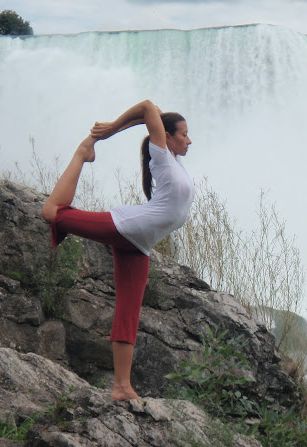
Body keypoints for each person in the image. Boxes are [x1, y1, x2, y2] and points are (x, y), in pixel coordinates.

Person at [41, 99, 194, 400]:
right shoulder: (161, 156)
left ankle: (121, 386)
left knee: (128, 312)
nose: (189, 140)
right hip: (126, 226)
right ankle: (82, 154)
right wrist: (109, 130)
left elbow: (156, 117)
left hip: (139, 243)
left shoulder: (175, 160)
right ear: (168, 138)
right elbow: (149, 107)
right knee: (52, 213)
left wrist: (126, 126)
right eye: (184, 134)